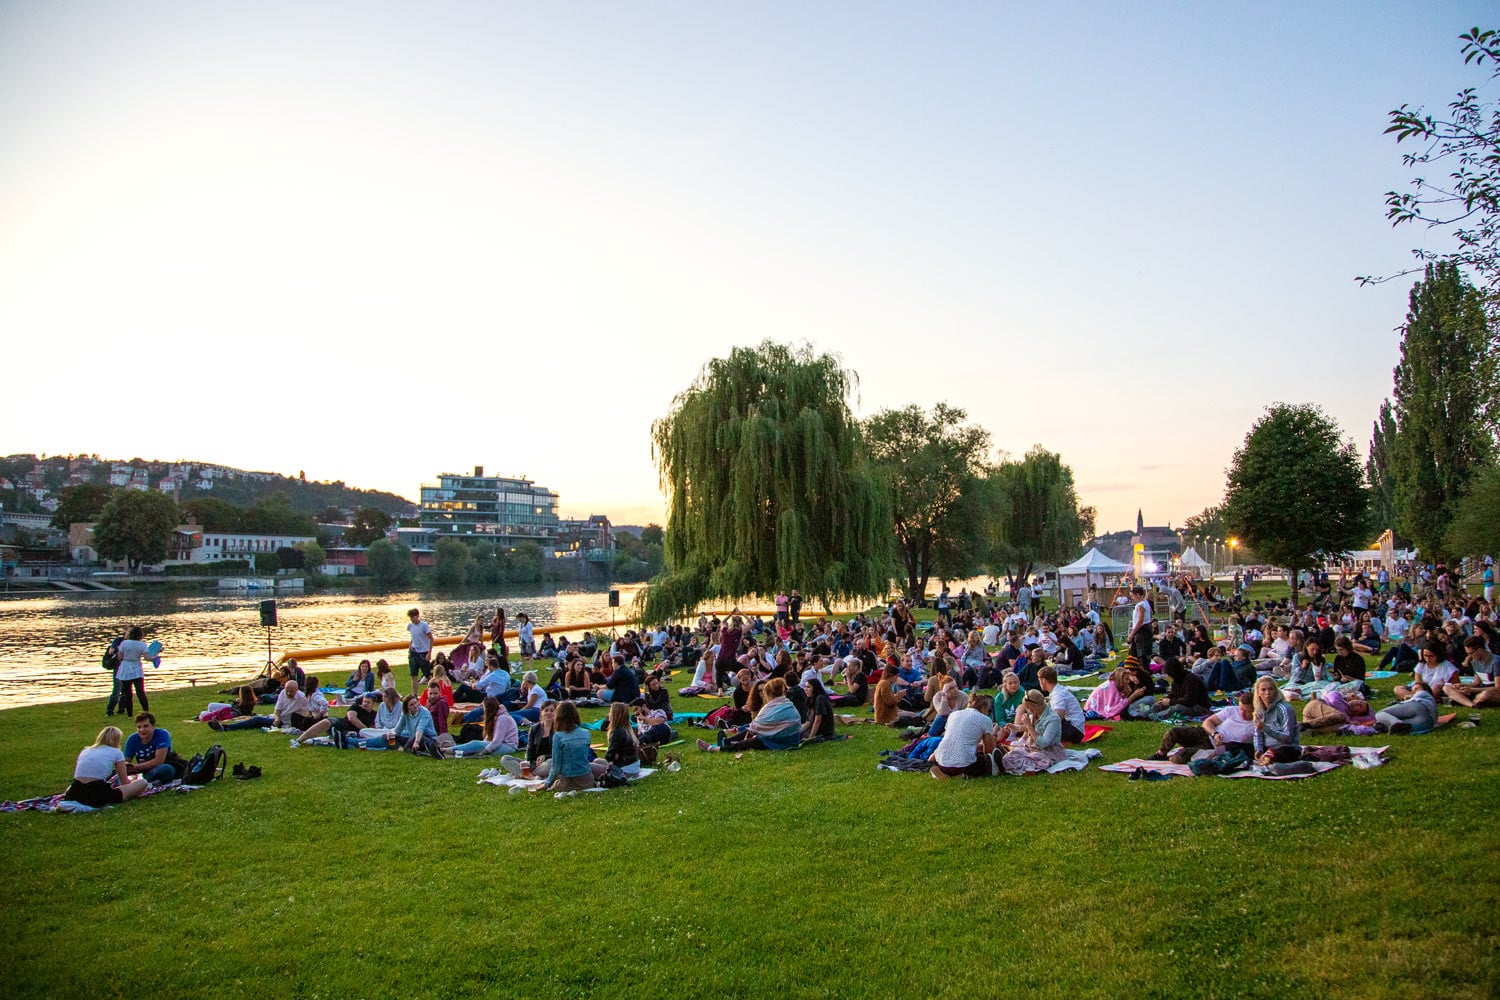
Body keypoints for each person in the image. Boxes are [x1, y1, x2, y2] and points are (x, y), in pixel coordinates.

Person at [700, 677, 803, 752]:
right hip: (789, 739)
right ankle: (727, 742)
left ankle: (717, 748)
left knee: (754, 741)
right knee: (752, 733)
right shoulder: (788, 704)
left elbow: (757, 726)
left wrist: (755, 731)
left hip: (781, 742)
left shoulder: (773, 707)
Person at [1153, 691, 1256, 761]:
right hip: (1206, 734)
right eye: (1241, 709)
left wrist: (1221, 748)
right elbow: (1208, 722)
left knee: (1180, 756)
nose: (1242, 713)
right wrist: (1214, 733)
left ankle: (1185, 751)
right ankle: (1160, 754)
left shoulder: (1256, 725)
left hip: (1214, 748)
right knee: (1174, 732)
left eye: (1246, 711)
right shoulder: (1231, 710)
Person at [64, 727, 148, 807]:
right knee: (142, 783)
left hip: (74, 792)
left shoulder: (85, 751)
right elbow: (124, 782)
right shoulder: (116, 752)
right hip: (98, 794)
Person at [999, 690, 1067, 775]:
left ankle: (1022, 767)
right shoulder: (1035, 713)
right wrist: (1015, 727)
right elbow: (1030, 728)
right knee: (1010, 757)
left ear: (1038, 705)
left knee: (1037, 759)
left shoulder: (1053, 719)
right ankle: (1000, 762)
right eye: (1027, 708)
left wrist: (1029, 725)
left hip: (1049, 750)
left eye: (1030, 708)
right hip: (1033, 747)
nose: (1029, 710)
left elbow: (1043, 743)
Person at [929, 693, 998, 779]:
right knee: (983, 762)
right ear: (984, 708)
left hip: (941, 760)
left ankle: (944, 772)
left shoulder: (954, 714)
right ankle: (961, 775)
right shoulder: (985, 719)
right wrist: (994, 738)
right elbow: (988, 750)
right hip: (965, 765)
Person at [546, 701, 605, 791]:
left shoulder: (558, 736)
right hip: (588, 780)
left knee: (554, 782)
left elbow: (556, 766)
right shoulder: (586, 733)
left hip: (568, 782)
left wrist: (547, 783)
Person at [449, 696, 520, 757]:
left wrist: (484, 751)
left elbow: (497, 741)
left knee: (475, 744)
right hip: (500, 745)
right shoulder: (495, 717)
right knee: (476, 746)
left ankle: (450, 750)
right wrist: (483, 745)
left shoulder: (502, 718)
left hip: (508, 746)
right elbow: (488, 739)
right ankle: (451, 750)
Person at [1252, 675, 1300, 764]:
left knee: (1280, 754)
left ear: (1275, 691)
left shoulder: (1285, 709)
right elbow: (1258, 734)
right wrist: (1258, 750)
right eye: (1263, 690)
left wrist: (1265, 728)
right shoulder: (1259, 711)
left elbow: (1288, 738)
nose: (1267, 693)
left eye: (1270, 689)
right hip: (1267, 748)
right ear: (1258, 693)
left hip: (1286, 748)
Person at [502, 701, 557, 779]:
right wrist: (527, 762)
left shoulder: (558, 729)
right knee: (505, 759)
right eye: (546, 710)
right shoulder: (535, 728)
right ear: (542, 712)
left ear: (555, 712)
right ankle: (528, 775)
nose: (549, 713)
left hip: (548, 762)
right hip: (533, 763)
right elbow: (530, 748)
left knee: (551, 763)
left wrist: (546, 757)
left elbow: (559, 753)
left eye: (551, 711)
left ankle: (527, 775)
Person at [1444, 636, 1500, 708]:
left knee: (1485, 694)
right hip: (1480, 689)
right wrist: (1463, 685)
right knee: (1447, 687)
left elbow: (1497, 688)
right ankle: (1472, 704)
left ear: (1480, 650)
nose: (1469, 656)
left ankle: (1464, 700)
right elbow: (1476, 682)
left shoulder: (1496, 662)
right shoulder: (1475, 662)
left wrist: (1473, 690)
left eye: (1471, 653)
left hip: (1493, 692)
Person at [123, 713, 178, 784]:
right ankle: (142, 782)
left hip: (158, 768)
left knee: (167, 769)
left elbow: (159, 761)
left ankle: (140, 782)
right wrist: (127, 767)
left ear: (153, 726)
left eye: (145, 726)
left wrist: (134, 767)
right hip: (141, 770)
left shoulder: (162, 735)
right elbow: (126, 761)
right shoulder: (132, 739)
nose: (142, 730)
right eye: (139, 727)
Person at [1037, 666, 1086, 743]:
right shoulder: (1057, 691)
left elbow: (1058, 717)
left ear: (1043, 680)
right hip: (1074, 728)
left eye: (1039, 680)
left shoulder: (1058, 694)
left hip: (1074, 731)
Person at [114, 626, 152, 716]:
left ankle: (129, 713)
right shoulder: (142, 644)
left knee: (127, 693)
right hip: (136, 668)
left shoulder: (124, 643)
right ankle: (146, 710)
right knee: (140, 691)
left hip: (125, 668)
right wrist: (155, 656)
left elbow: (119, 657)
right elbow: (147, 658)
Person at [603, 703, 642, 778]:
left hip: (624, 769)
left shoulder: (618, 732)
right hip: (633, 768)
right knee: (599, 762)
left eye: (610, 712)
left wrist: (613, 756)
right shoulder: (627, 729)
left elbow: (609, 757)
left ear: (615, 715)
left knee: (595, 765)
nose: (609, 714)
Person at [407, 608, 434, 696]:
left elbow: (431, 639)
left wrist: (429, 652)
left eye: (413, 617)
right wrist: (410, 648)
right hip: (413, 652)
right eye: (410, 617)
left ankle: (432, 691)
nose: (411, 619)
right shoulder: (410, 626)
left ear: (417, 616)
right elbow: (412, 637)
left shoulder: (424, 625)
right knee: (413, 674)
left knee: (427, 674)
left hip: (423, 652)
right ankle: (414, 694)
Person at [801, 678, 837, 742]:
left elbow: (818, 720)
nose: (805, 689)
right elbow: (809, 722)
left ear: (815, 688)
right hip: (814, 730)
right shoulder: (811, 700)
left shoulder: (820, 699)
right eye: (805, 687)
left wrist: (810, 738)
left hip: (823, 732)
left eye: (808, 687)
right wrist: (798, 732)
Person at [1127, 586, 1154, 665]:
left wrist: (1131, 634)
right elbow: (1151, 614)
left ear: (1138, 595)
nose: (1132, 598)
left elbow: (1140, 621)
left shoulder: (1140, 605)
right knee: (1135, 653)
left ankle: (1142, 668)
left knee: (1142, 654)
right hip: (1147, 628)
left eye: (1132, 596)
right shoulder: (1146, 603)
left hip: (1141, 631)